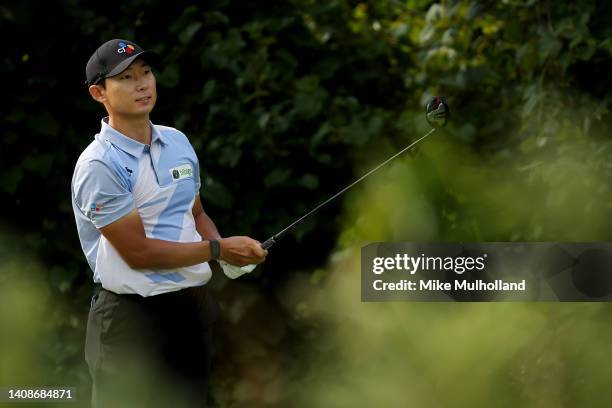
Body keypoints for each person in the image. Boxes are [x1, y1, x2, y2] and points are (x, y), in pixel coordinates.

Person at [71, 38, 267, 408]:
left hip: (189, 312)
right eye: (126, 78)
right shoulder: (99, 165)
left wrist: (225, 253)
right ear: (99, 93)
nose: (143, 83)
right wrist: (218, 249)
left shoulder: (177, 142)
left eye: (146, 72)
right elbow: (139, 253)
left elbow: (195, 213)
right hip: (130, 322)